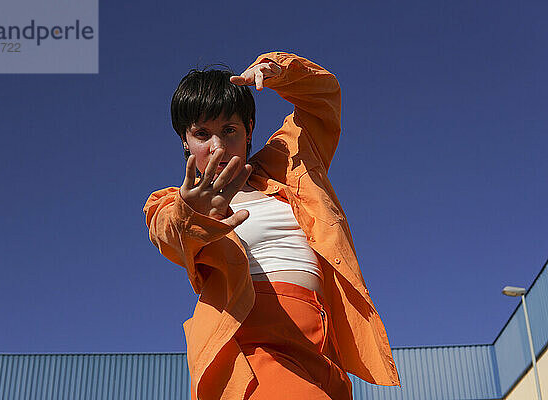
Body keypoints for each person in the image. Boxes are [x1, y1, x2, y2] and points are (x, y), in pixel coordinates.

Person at [143, 52, 400, 400]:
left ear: (249, 130)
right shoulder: (173, 201)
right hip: (253, 345)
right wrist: (194, 213)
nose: (217, 146)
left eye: (229, 130)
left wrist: (280, 69)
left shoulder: (287, 163)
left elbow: (323, 98)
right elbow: (167, 231)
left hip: (322, 348)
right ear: (185, 142)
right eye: (202, 134)